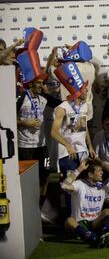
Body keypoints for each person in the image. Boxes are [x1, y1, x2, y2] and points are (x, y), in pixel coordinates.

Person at [61, 159, 109, 248]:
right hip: (79, 224)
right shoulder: (80, 184)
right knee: (69, 221)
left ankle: (106, 234)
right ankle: (94, 239)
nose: (102, 173)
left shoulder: (102, 188)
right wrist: (79, 169)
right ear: (90, 174)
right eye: (99, 171)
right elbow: (64, 186)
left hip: (95, 223)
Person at [51, 63, 96, 179]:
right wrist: (68, 146)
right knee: (69, 186)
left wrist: (90, 146)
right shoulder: (62, 108)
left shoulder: (84, 106)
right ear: (78, 92)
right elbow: (54, 132)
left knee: (82, 185)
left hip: (82, 151)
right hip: (67, 153)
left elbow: (83, 127)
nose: (87, 92)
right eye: (85, 90)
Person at [16, 69, 49, 208]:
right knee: (27, 179)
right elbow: (7, 118)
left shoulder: (44, 99)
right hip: (25, 146)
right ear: (30, 85)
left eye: (42, 83)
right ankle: (27, 207)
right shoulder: (21, 98)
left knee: (45, 177)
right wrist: (25, 122)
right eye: (38, 83)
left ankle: (39, 207)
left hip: (41, 145)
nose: (41, 86)